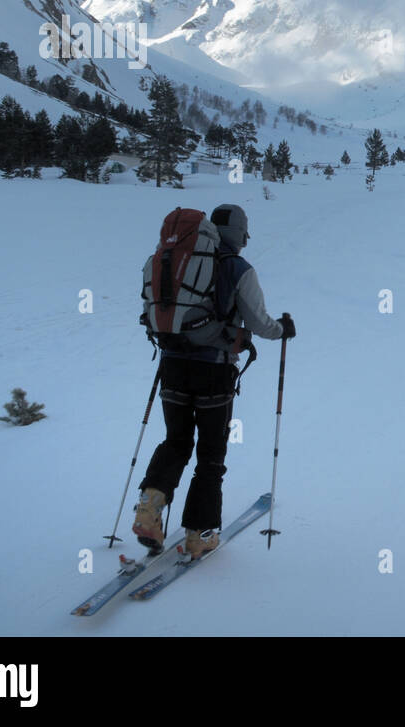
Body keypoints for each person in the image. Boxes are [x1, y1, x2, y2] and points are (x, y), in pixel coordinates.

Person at [133, 204, 295, 559]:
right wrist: (283, 329)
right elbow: (259, 323)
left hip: (172, 366)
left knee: (175, 441)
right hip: (214, 373)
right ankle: (199, 534)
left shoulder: (170, 260)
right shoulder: (238, 268)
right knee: (210, 454)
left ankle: (149, 507)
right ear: (239, 233)